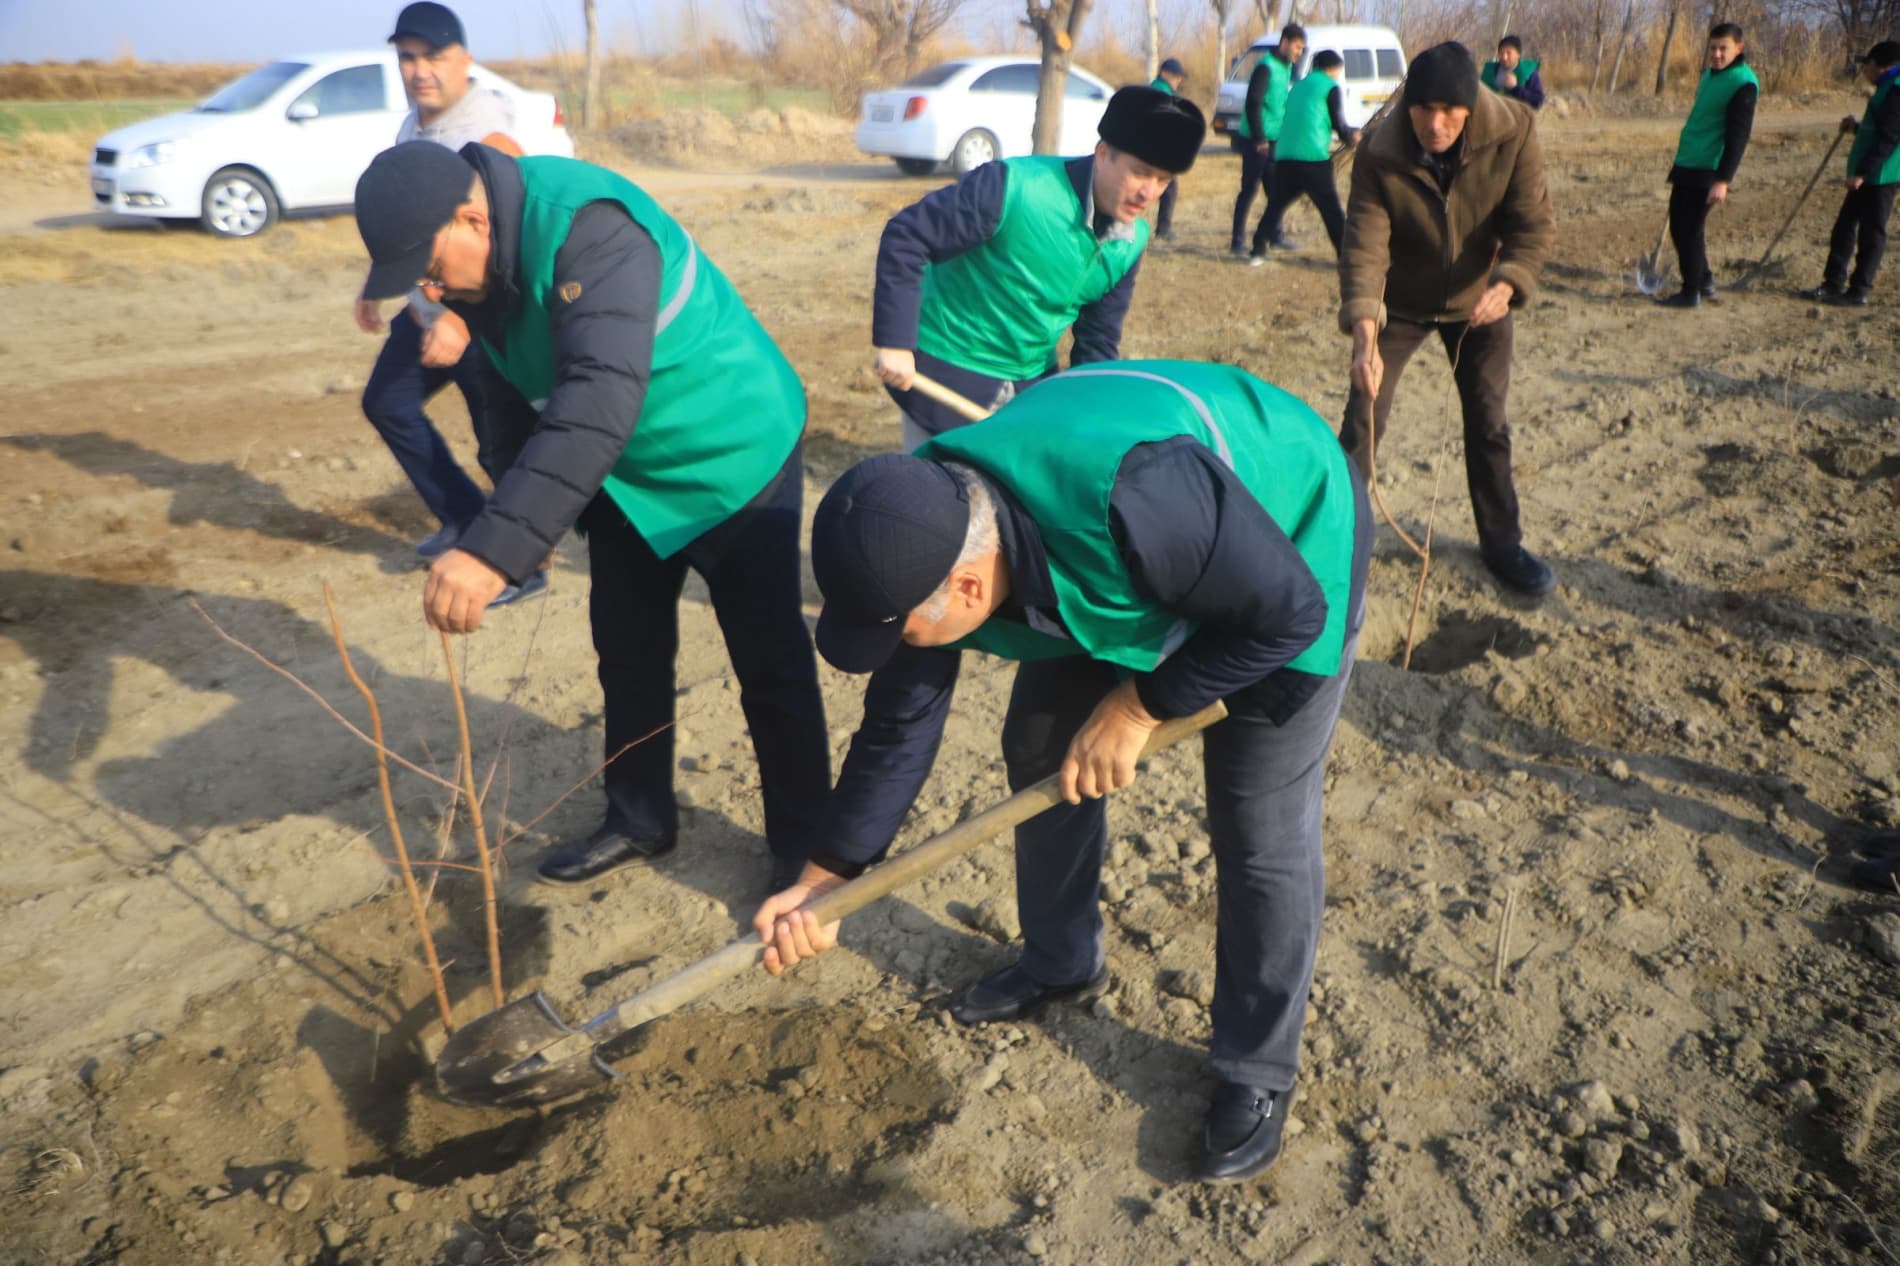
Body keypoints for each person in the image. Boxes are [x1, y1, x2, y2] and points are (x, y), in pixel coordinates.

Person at [752, 359, 1371, 1184]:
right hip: (1118, 564)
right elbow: (898, 729)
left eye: (903, 631)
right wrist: (827, 878)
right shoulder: (921, 525)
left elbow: (1291, 612)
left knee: (1258, 827)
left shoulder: (1138, 499)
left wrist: (1141, 706)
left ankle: (1256, 1073)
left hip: (1288, 554)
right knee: (1041, 745)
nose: (899, 646)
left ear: (969, 586)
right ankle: (1060, 960)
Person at [350, 141, 831, 890]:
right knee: (627, 644)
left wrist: (487, 553)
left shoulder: (588, 227)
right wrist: (518, 520)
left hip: (730, 447)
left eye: (431, 265)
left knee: (766, 656)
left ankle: (804, 848)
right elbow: (510, 387)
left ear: (473, 218)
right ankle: (638, 817)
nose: (431, 290)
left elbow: (596, 396)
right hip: (624, 472)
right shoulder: (486, 269)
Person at [1337, 41, 1558, 597]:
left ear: (1471, 107)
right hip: (1402, 302)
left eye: (1449, 113)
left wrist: (1507, 284)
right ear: (1407, 102)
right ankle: (1339, 538)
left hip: (1479, 300)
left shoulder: (1514, 132)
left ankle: (1502, 544)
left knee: (1488, 420)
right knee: (1363, 410)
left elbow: (1531, 225)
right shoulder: (1380, 151)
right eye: (1422, 110)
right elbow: (1365, 246)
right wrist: (1365, 332)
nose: (1435, 125)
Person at [871, 87, 1206, 449]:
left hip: (1031, 386)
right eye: (1141, 173)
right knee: (933, 498)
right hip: (946, 370)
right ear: (1103, 154)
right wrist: (895, 343)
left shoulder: (1132, 239)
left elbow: (1098, 338)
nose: (1150, 193)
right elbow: (907, 237)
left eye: (1164, 180)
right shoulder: (1015, 188)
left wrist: (1089, 410)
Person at [352, 2, 542, 604]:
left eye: (432, 56)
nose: (418, 70)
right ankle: (463, 515)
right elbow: (408, 222)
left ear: (463, 60)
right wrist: (375, 283)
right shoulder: (414, 129)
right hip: (426, 311)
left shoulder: (488, 134)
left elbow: (506, 243)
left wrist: (458, 318)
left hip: (479, 320)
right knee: (387, 402)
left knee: (500, 443)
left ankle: (520, 564)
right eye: (407, 58)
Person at [1658, 23, 1757, 309]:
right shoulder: (1710, 75)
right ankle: (1704, 281)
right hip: (1689, 161)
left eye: (1722, 48)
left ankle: (1691, 293)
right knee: (1686, 226)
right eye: (1712, 48)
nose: (1716, 54)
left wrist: (1723, 180)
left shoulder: (1743, 83)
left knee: (1686, 229)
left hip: (1708, 168)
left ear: (1738, 48)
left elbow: (1738, 136)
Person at [1799, 40, 1900, 307]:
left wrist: (1862, 173)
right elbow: (1877, 130)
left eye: (1866, 63)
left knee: (1871, 233)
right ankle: (1833, 284)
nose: (1863, 68)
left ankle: (1858, 291)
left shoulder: (1896, 91)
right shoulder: (1886, 88)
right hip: (1869, 173)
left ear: (1880, 66)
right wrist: (1855, 127)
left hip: (1881, 176)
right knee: (1843, 228)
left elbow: (1889, 138)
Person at [1251, 49, 1359, 260]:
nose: (1338, 74)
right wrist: (1351, 137)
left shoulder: (1297, 87)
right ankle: (1346, 257)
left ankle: (1257, 250)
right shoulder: (1330, 87)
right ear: (1332, 68)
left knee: (1276, 204)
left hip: (1285, 157)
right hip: (1313, 158)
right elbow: (1338, 123)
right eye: (1338, 70)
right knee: (1332, 211)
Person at [1231, 24, 1307, 258]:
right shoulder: (1265, 67)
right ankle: (1237, 242)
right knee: (1249, 190)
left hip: (1275, 139)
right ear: (1284, 42)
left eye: (1302, 49)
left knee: (1275, 191)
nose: (1299, 53)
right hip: (1257, 139)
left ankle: (1275, 235)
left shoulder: (1286, 67)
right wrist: (1260, 138)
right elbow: (1253, 103)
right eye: (1296, 47)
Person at [1150, 57, 1189, 240]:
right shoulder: (1163, 94)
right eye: (1176, 76)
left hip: (1150, 146)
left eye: (1180, 77)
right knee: (1169, 187)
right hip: (1158, 148)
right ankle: (1163, 229)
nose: (1178, 80)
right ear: (1164, 73)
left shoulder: (1152, 88)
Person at [1482, 35, 1545, 109]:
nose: (1504, 57)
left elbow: (1538, 101)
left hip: (1516, 117)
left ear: (1518, 54)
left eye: (1509, 53)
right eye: (1501, 53)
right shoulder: (1489, 70)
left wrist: (1515, 88)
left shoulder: (1529, 72)